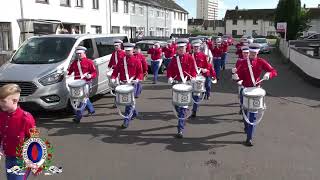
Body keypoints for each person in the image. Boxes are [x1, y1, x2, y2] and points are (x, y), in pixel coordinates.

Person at [232, 43, 278, 146]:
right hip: (245, 90)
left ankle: (249, 138)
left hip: (256, 91)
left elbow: (274, 71)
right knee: (245, 111)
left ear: (257, 53)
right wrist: (235, 77)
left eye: (254, 53)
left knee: (252, 115)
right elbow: (237, 76)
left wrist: (268, 74)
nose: (252, 55)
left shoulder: (261, 62)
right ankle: (246, 126)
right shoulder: (243, 63)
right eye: (251, 53)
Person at [0, 84, 36, 180]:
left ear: (15, 101)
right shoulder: (1, 116)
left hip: (22, 160)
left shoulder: (26, 118)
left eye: (3, 101)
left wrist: (35, 161)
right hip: (9, 157)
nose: (0, 103)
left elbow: (34, 139)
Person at [167, 38, 197, 138]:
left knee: (182, 108)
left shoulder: (190, 58)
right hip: (176, 85)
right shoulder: (174, 59)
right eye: (179, 48)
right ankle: (182, 118)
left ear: (186, 48)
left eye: (182, 48)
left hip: (186, 85)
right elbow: (169, 70)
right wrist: (170, 77)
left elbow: (193, 71)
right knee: (176, 105)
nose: (181, 50)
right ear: (177, 49)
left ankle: (180, 129)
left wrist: (193, 77)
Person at [111, 43, 143, 129]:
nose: (127, 52)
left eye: (129, 51)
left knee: (128, 103)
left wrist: (138, 79)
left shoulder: (137, 61)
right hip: (123, 83)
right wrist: (113, 78)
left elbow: (140, 73)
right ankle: (135, 113)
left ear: (133, 50)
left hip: (132, 84)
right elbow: (116, 71)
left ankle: (126, 121)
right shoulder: (121, 60)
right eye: (126, 51)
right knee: (129, 102)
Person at [68, 46, 97, 123]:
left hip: (86, 83)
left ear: (84, 53)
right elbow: (69, 71)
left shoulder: (89, 62)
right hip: (77, 84)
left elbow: (94, 72)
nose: (79, 55)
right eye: (77, 54)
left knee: (81, 99)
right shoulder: (74, 62)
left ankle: (78, 116)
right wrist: (64, 73)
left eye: (80, 54)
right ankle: (91, 109)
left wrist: (90, 75)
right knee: (82, 97)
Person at [190, 39, 211, 118]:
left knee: (197, 94)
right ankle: (192, 107)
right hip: (191, 77)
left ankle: (194, 110)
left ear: (199, 47)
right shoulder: (189, 55)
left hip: (200, 77)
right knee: (191, 93)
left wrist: (205, 69)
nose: (196, 48)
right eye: (195, 47)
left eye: (197, 47)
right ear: (192, 47)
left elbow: (207, 66)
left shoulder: (203, 56)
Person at [108, 39, 126, 108]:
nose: (116, 47)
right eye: (115, 46)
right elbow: (111, 61)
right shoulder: (114, 53)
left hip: (122, 72)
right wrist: (109, 67)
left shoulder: (124, 53)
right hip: (115, 72)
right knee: (116, 88)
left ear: (120, 45)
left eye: (117, 45)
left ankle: (123, 100)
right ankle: (116, 102)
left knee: (122, 87)